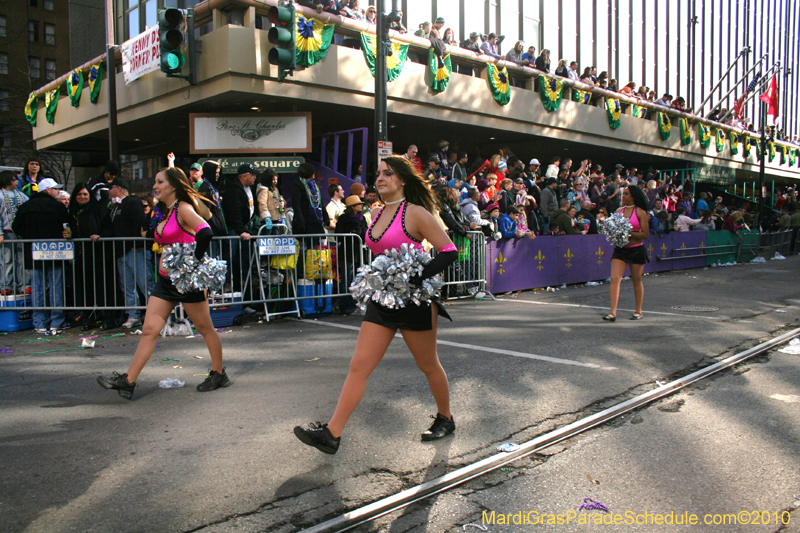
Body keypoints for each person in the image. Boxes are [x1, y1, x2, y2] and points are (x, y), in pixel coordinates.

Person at [294, 155, 459, 454]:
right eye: (378, 173)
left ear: (403, 180)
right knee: (359, 366)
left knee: (428, 364)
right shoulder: (379, 212)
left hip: (414, 301)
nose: (380, 178)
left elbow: (448, 251)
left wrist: (417, 277)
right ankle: (332, 433)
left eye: (388, 174)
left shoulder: (417, 212)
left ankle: (445, 418)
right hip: (382, 298)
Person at [97, 167, 230, 400]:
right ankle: (128, 381)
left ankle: (219, 373)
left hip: (186, 282)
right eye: (155, 182)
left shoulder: (184, 208)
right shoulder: (166, 211)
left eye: (160, 182)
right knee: (149, 330)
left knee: (204, 328)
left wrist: (193, 262)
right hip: (165, 282)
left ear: (173, 185)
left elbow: (206, 232)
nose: (155, 186)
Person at [12, 178, 70, 335]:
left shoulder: (25, 207)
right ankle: (56, 322)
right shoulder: (58, 206)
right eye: (56, 189)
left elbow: (16, 227)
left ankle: (39, 323)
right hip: (56, 252)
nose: (58, 191)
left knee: (37, 288)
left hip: (33, 254)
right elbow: (67, 226)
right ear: (48, 190)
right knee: (56, 287)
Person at [102, 178, 154, 329]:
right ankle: (133, 314)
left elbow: (138, 222)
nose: (108, 192)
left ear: (118, 188)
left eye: (110, 188)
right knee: (127, 286)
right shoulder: (115, 207)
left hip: (133, 250)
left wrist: (136, 244)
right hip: (122, 251)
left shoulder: (132, 202)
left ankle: (154, 314)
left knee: (144, 284)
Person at [604, 186, 650, 322]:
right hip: (620, 250)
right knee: (615, 278)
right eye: (623, 194)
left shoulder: (641, 212)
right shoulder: (618, 211)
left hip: (636, 249)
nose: (623, 196)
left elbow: (645, 234)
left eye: (626, 194)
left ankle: (638, 310)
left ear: (633, 196)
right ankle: (612, 313)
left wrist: (628, 233)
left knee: (636, 280)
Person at [67, 183, 106, 328]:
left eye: (85, 194)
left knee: (98, 286)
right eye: (79, 194)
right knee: (83, 288)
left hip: (95, 253)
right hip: (78, 254)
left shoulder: (96, 208)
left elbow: (104, 226)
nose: (82, 197)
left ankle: (102, 316)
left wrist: (99, 235)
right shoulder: (72, 211)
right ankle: (87, 318)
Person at [221, 164, 257, 293]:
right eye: (252, 174)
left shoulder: (247, 189)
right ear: (244, 176)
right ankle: (227, 285)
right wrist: (240, 230)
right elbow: (234, 211)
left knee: (242, 262)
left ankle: (241, 289)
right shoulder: (234, 190)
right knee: (230, 258)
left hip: (244, 229)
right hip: (234, 230)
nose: (254, 177)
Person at [0, 171, 28, 294]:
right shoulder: (0, 196)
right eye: (14, 179)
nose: (17, 181)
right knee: (7, 260)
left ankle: (24, 284)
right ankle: (6, 285)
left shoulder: (22, 196)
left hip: (20, 232)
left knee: (22, 260)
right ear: (7, 180)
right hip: (6, 232)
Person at [256, 168, 286, 234]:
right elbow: (262, 203)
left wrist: (282, 216)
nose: (275, 181)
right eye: (273, 179)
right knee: (268, 238)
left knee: (275, 238)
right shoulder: (264, 190)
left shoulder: (275, 190)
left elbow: (279, 202)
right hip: (267, 220)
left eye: (276, 179)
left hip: (276, 219)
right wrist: (266, 217)